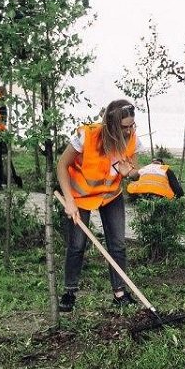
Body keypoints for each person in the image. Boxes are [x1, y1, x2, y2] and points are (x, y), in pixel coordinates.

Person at [55, 100, 140, 313]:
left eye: (132, 125)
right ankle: (69, 292)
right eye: (125, 127)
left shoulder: (132, 138)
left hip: (110, 195)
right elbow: (62, 165)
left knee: (118, 244)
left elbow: (134, 172)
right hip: (80, 196)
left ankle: (120, 292)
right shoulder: (87, 136)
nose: (130, 130)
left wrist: (129, 172)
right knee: (76, 244)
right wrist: (70, 201)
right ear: (111, 126)